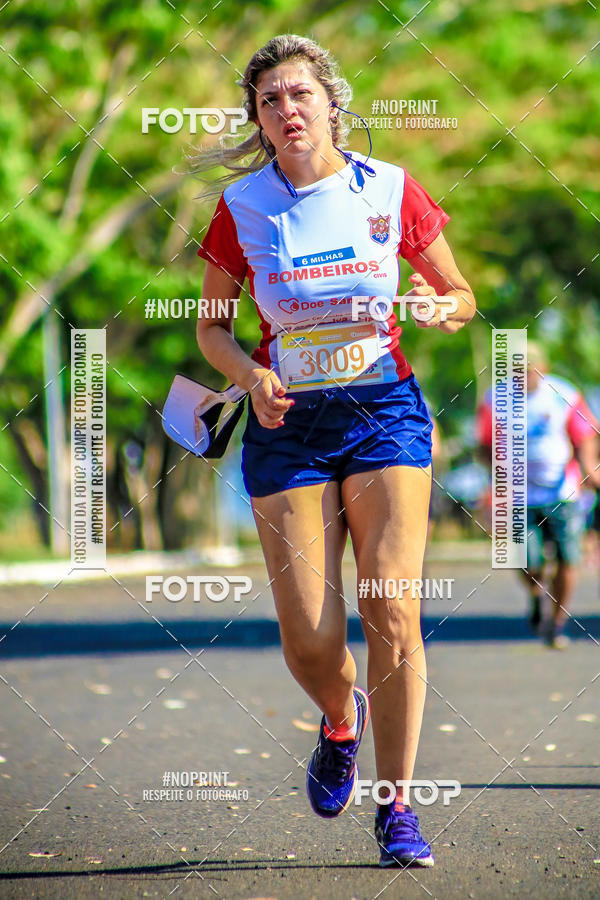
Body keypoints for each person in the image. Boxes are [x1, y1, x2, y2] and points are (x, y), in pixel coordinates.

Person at [193, 34, 475, 867]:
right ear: (258, 120)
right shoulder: (241, 207)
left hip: (385, 410)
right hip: (290, 427)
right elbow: (212, 329)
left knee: (391, 604)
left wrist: (440, 309)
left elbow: (460, 295)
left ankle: (397, 809)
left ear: (331, 103)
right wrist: (249, 375)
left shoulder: (389, 189)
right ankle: (339, 719)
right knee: (312, 640)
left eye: (299, 94)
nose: (286, 110)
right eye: (270, 100)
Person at [477, 342, 600, 648]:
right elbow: (483, 443)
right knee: (527, 561)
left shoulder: (565, 394)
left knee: (568, 558)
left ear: (542, 368)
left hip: (562, 492)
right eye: (518, 370)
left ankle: (557, 623)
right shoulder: (495, 398)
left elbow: (584, 437)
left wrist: (590, 472)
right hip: (518, 495)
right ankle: (535, 593)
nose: (524, 376)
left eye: (530, 369)